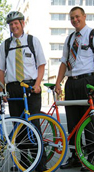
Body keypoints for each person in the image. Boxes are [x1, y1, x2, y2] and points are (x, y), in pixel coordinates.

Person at [0, 11, 47, 172]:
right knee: (19, 126)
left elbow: (41, 65)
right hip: (13, 88)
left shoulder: (33, 41)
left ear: (23, 23)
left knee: (34, 125)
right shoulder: (5, 45)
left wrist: (38, 84)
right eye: (11, 24)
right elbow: (1, 70)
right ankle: (24, 163)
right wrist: (2, 89)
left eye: (16, 23)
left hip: (31, 87)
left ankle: (40, 163)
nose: (13, 26)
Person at [55, 6, 94, 171]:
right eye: (72, 18)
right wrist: (58, 83)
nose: (75, 20)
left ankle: (91, 159)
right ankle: (75, 157)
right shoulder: (70, 38)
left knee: (89, 124)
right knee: (73, 122)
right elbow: (64, 62)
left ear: (84, 16)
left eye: (77, 16)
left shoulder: (92, 35)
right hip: (71, 82)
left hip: (87, 81)